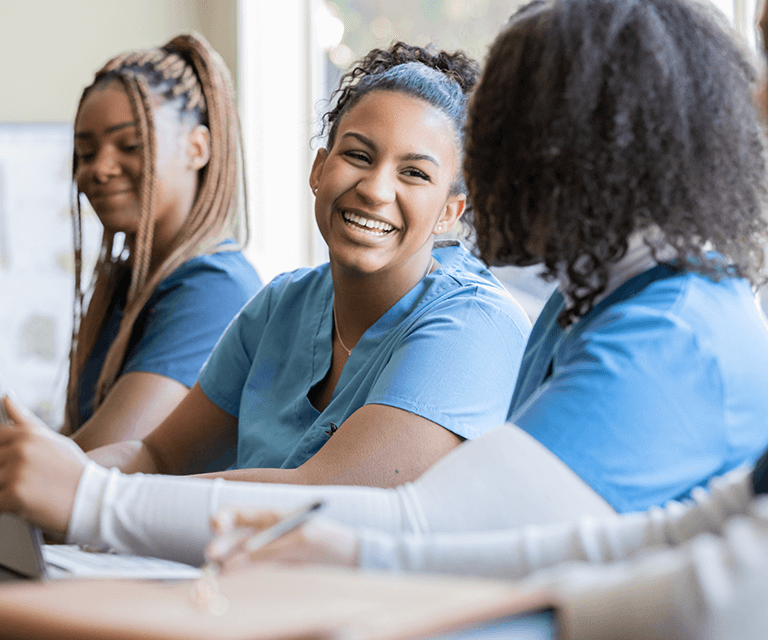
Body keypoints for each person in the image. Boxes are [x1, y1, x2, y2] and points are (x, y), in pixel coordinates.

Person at [0, 42, 531, 530]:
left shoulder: (474, 324)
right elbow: (157, 456)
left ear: (449, 213)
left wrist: (90, 496)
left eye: (414, 174)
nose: (374, 189)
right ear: (319, 169)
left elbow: (328, 498)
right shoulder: (284, 304)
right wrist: (55, 480)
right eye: (357, 156)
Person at [62, 33, 262, 452]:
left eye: (130, 144)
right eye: (84, 152)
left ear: (197, 147)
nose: (100, 168)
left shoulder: (215, 287)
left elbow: (92, 464)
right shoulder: (124, 284)